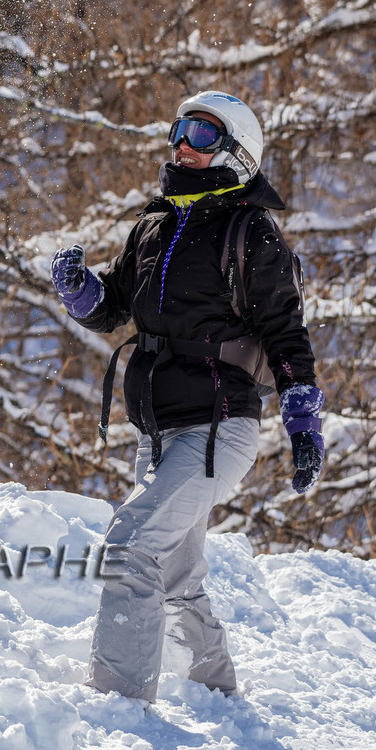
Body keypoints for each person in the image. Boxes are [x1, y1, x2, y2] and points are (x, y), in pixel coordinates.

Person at [51, 90, 323, 703]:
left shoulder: (250, 231)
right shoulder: (155, 223)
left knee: (130, 548)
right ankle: (217, 693)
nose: (182, 144)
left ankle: (118, 701)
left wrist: (302, 420)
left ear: (238, 152)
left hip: (217, 426)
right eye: (179, 130)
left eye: (202, 135)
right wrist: (80, 291)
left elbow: (286, 331)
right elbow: (115, 307)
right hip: (158, 428)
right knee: (174, 570)